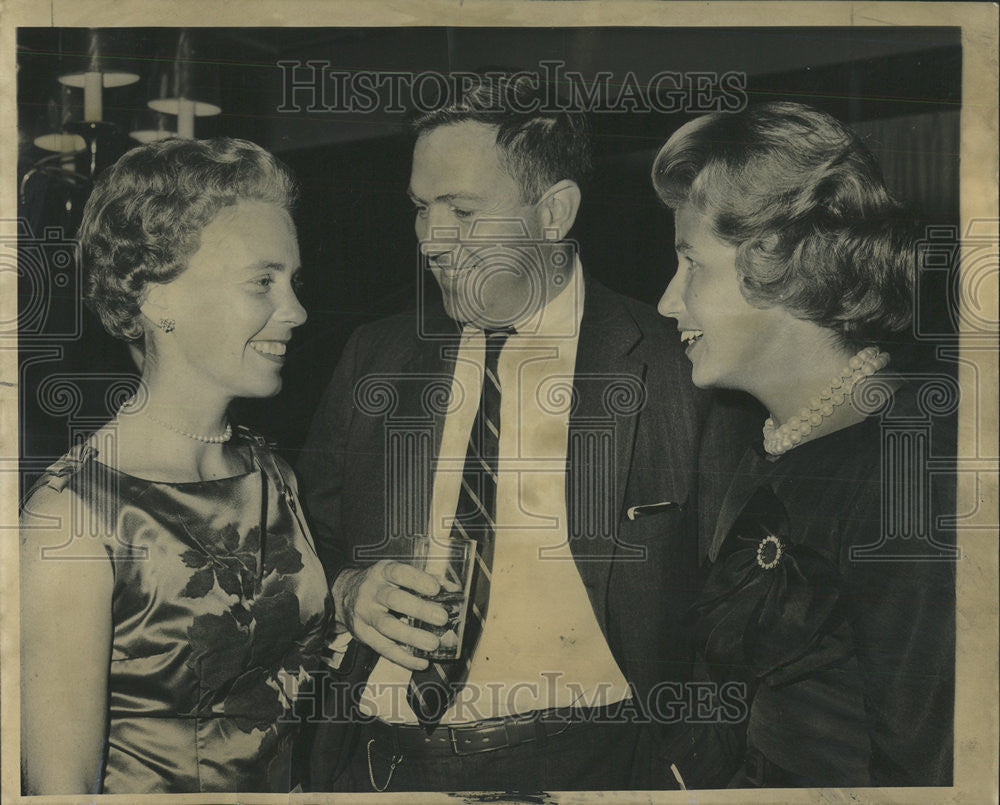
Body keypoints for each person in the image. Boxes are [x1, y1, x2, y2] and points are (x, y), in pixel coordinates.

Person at [296, 73, 724, 792]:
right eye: (420, 208)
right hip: (373, 764)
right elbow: (300, 532)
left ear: (554, 211)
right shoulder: (375, 352)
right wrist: (347, 588)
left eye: (461, 211)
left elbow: (736, 621)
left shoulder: (680, 364)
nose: (430, 240)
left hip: (584, 768)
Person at [652, 101, 955, 787]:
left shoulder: (913, 464)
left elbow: (930, 768)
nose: (669, 300)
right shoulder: (755, 440)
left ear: (777, 261)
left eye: (690, 264)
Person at [19, 137, 332, 795]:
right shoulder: (73, 517)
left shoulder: (272, 473)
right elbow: (60, 785)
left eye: (294, 281)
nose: (297, 311)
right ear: (157, 297)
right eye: (262, 282)